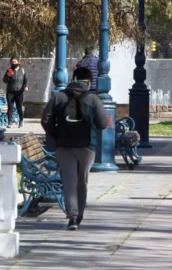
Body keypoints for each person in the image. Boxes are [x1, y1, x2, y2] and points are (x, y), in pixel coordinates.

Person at [41, 67, 109, 230]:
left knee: (69, 181)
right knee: (82, 181)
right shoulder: (93, 98)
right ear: (88, 81)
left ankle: (72, 216)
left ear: (73, 78)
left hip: (64, 146)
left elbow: (45, 120)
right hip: (87, 146)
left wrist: (57, 135)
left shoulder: (59, 97)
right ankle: (79, 215)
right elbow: (102, 124)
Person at [2, 56, 27, 128]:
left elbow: (26, 80)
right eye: (12, 62)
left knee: (19, 107)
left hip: (19, 92)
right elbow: (4, 81)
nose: (13, 63)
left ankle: (21, 121)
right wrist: (8, 75)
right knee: (10, 107)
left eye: (15, 62)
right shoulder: (9, 70)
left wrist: (26, 86)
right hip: (10, 91)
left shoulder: (22, 70)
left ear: (18, 62)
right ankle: (9, 122)